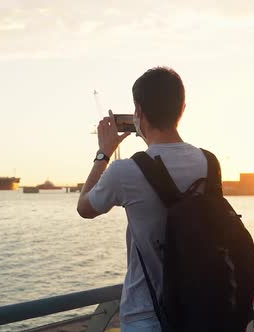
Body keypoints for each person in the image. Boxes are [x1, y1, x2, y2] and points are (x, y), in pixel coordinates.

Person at [76, 67, 208, 331]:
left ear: (138, 112)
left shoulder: (125, 171)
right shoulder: (208, 162)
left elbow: (85, 207)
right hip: (200, 308)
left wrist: (103, 153)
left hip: (146, 316)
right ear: (182, 108)